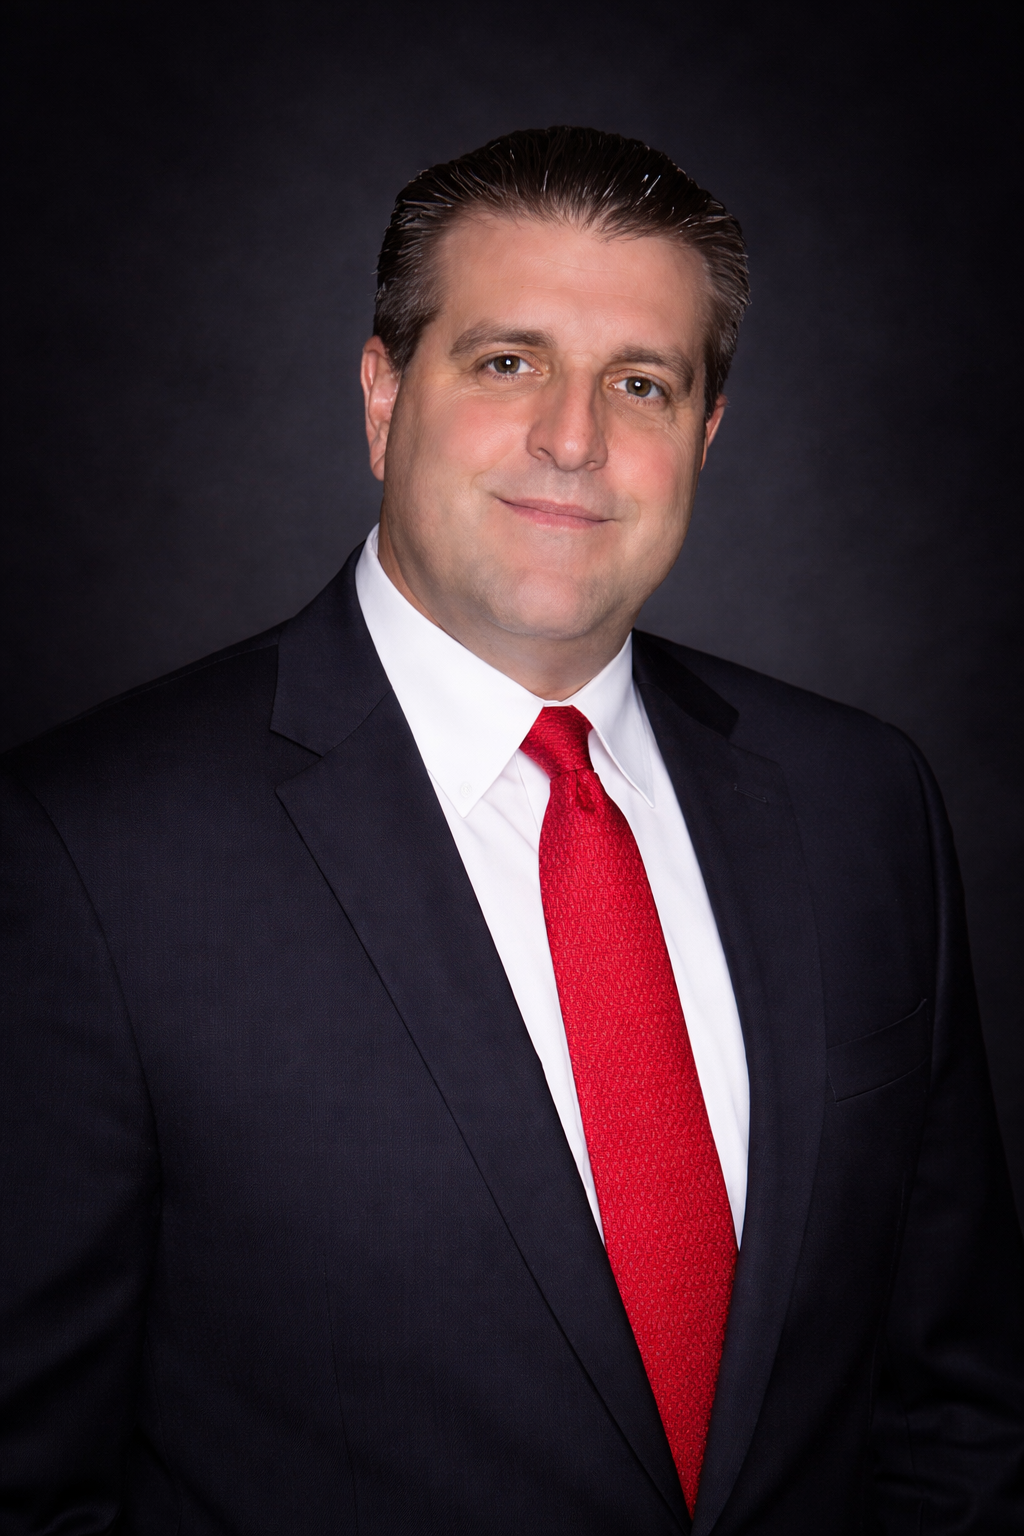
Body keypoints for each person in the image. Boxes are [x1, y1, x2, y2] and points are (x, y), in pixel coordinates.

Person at [1, 126, 1021, 1535]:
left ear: (705, 435)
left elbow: (958, 1403)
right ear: (380, 396)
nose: (574, 439)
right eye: (507, 362)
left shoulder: (864, 807)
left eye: (642, 384)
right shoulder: (86, 850)